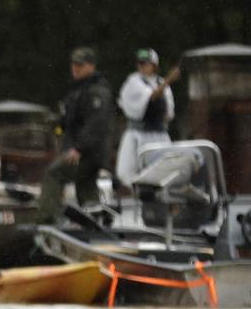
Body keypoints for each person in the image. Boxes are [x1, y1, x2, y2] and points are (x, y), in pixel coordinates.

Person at [36, 47, 114, 224]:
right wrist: (58, 123)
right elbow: (71, 121)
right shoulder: (80, 89)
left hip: (88, 153)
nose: (75, 68)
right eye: (74, 64)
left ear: (91, 66)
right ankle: (97, 223)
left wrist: (79, 148)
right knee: (86, 188)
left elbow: (96, 124)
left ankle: (45, 220)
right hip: (87, 152)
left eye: (80, 65)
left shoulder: (97, 91)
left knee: (54, 173)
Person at [115, 48, 180, 186]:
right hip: (138, 135)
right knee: (132, 171)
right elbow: (151, 96)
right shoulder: (133, 81)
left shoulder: (161, 82)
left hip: (159, 135)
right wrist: (169, 80)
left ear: (154, 65)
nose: (142, 66)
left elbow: (168, 113)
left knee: (162, 171)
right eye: (140, 63)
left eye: (145, 63)